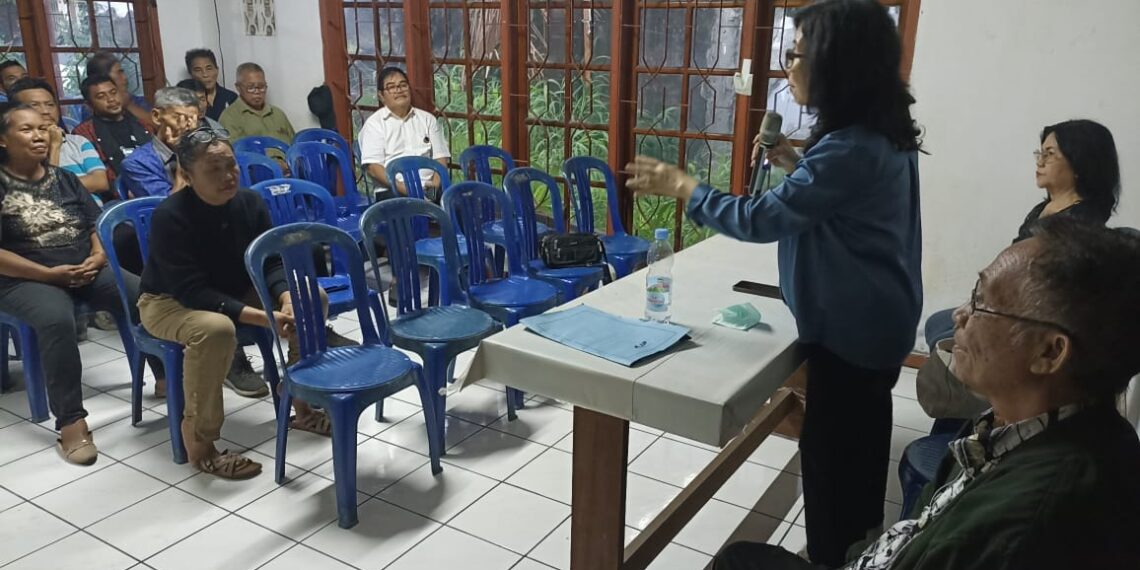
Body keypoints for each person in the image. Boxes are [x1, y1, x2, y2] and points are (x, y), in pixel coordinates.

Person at [625, 1, 922, 565]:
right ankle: (857, 545)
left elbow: (759, 220)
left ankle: (838, 555)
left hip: (852, 336)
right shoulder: (878, 135)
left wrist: (683, 185)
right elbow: (836, 204)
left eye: (798, 54)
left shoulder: (848, 149)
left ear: (838, 64)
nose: (788, 65)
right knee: (859, 451)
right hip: (880, 325)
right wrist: (793, 163)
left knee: (834, 468)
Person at [712, 217, 1140, 570]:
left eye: (982, 303)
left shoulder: (1027, 525)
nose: (960, 315)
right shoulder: (1024, 425)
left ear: (1049, 352)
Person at [137, 127, 351, 478]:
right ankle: (201, 444)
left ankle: (301, 401)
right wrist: (264, 318)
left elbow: (270, 261)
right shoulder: (171, 216)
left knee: (312, 297)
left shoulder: (249, 202)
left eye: (231, 165)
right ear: (187, 175)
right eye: (214, 170)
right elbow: (193, 292)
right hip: (169, 300)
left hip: (234, 288)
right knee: (216, 330)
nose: (227, 176)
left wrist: (285, 296)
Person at [0, 103, 162, 465]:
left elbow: (94, 224)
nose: (39, 135)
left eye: (42, 128)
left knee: (145, 293)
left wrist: (99, 256)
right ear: (3, 140)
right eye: (26, 129)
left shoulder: (63, 178)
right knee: (56, 319)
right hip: (23, 279)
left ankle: (165, 376)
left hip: (84, 268)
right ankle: (71, 422)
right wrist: (48, 275)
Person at [923, 119, 1121, 349]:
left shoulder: (1081, 222)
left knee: (946, 336)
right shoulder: (1045, 208)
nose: (1040, 161)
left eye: (1049, 154)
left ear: (1079, 163)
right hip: (1007, 304)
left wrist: (987, 311)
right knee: (936, 323)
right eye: (1040, 153)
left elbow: (1046, 289)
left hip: (1030, 317)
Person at [359, 66, 450, 200]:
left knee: (463, 204)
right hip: (392, 190)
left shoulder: (427, 119)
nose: (399, 90)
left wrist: (434, 188)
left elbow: (440, 158)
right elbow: (373, 168)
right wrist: (409, 190)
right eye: (391, 87)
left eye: (403, 85)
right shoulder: (374, 124)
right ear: (381, 96)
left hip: (429, 188)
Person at [7, 78, 109, 197]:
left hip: (92, 208)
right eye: (34, 105)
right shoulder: (15, 152)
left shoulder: (78, 142)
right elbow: (46, 192)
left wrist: (59, 185)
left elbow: (100, 182)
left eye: (50, 105)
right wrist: (55, 147)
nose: (46, 111)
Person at [72, 74, 153, 197]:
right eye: (101, 96)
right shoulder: (84, 133)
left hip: (154, 186)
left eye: (113, 92)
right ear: (89, 105)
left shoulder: (142, 123)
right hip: (114, 197)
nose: (111, 99)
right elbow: (96, 175)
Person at [118, 87, 200, 199]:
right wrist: (183, 152)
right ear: (156, 116)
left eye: (193, 120)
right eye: (178, 118)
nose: (188, 126)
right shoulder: (136, 163)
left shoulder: (204, 151)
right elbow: (169, 207)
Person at [218, 62, 295, 146]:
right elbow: (231, 151)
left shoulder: (278, 114)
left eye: (261, 87)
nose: (257, 92)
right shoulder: (230, 117)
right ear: (238, 87)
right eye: (251, 87)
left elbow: (295, 146)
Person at [83, 52, 151, 129]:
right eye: (119, 73)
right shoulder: (92, 107)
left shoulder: (134, 100)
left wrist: (128, 104)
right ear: (104, 77)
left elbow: (156, 126)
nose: (125, 77)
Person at [184, 48, 238, 121]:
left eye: (209, 68)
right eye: (198, 70)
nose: (205, 74)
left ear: (217, 70)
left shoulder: (230, 97)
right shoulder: (185, 101)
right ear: (191, 73)